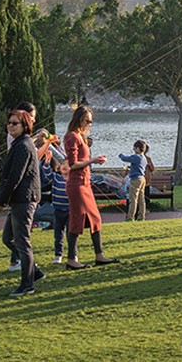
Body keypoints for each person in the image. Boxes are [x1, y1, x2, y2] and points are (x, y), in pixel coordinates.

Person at [0, 108, 44, 297]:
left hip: (24, 199)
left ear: (25, 126)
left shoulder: (23, 145)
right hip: (19, 200)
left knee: (22, 242)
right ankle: (35, 272)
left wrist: (1, 201)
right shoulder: (19, 144)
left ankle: (27, 284)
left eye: (15, 123)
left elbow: (16, 176)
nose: (10, 126)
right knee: (8, 238)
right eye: (9, 122)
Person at [63, 105, 118, 269]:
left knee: (95, 218)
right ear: (79, 119)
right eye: (87, 120)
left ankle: (99, 255)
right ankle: (71, 259)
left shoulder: (80, 136)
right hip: (77, 184)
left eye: (91, 121)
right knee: (76, 220)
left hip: (85, 183)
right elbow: (72, 164)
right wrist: (92, 161)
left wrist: (93, 160)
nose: (89, 124)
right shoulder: (72, 136)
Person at [119, 139, 149, 221]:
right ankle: (141, 216)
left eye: (134, 148)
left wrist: (120, 155)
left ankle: (130, 217)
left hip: (135, 179)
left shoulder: (136, 157)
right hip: (142, 179)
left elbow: (125, 158)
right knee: (141, 199)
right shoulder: (144, 158)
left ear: (138, 148)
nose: (134, 150)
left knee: (133, 199)